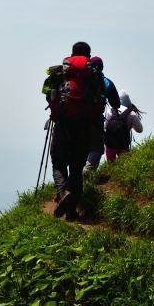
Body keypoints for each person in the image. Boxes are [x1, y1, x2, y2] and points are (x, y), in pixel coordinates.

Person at [45, 41, 117, 220]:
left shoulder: (61, 73)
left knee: (59, 163)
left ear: (71, 54)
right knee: (77, 169)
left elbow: (48, 95)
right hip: (86, 127)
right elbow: (116, 103)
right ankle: (71, 212)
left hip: (63, 125)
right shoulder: (96, 77)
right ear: (89, 56)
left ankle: (62, 193)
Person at [82, 57, 121, 173]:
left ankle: (74, 176)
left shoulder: (81, 80)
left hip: (76, 119)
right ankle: (88, 172)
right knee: (97, 149)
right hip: (96, 120)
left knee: (80, 148)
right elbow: (116, 104)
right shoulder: (106, 82)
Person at [103, 90, 143, 164]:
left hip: (109, 145)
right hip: (123, 145)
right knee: (124, 166)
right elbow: (140, 130)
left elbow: (105, 126)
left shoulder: (110, 111)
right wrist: (130, 125)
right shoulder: (132, 114)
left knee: (110, 166)